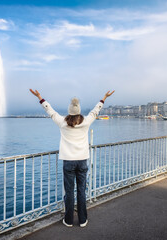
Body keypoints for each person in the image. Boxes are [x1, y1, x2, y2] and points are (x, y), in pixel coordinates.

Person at [29, 89, 115, 227]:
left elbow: (50, 111)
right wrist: (104, 97)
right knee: (81, 191)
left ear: (69, 111)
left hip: (68, 161)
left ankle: (68, 220)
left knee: (69, 192)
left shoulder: (62, 122)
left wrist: (40, 97)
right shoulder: (86, 122)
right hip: (82, 161)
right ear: (79, 111)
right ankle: (82, 220)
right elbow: (95, 111)